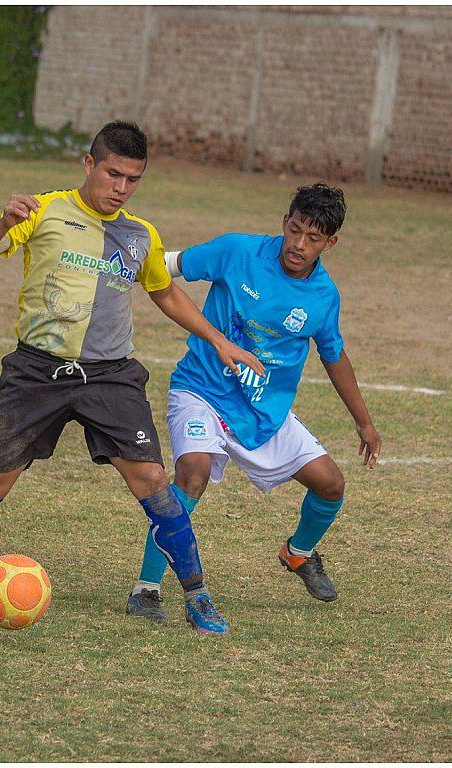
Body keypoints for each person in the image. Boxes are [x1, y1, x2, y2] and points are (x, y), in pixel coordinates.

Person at [0, 121, 264, 634]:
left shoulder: (140, 235)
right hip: (36, 371)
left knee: (154, 480)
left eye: (133, 179)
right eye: (113, 174)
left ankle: (196, 595)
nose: (121, 187)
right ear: (88, 165)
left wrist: (219, 340)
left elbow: (164, 292)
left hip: (110, 376)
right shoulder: (42, 210)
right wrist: (1, 225)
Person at [124, 182, 382, 622]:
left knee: (331, 485)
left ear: (330, 242)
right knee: (193, 473)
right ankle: (146, 590)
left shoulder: (323, 297)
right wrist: (113, 260)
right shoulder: (238, 251)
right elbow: (165, 264)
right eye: (295, 230)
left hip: (263, 411)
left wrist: (364, 422)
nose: (298, 245)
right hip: (201, 391)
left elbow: (334, 355)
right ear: (284, 222)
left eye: (313, 238)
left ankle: (298, 553)